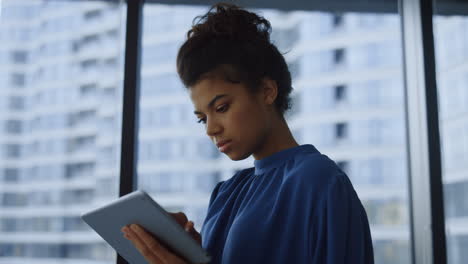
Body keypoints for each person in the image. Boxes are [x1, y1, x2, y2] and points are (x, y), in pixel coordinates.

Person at [121, 3, 374, 264]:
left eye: (221, 107)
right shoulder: (225, 194)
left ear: (267, 90)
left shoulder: (317, 182)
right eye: (202, 119)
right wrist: (194, 253)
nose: (211, 129)